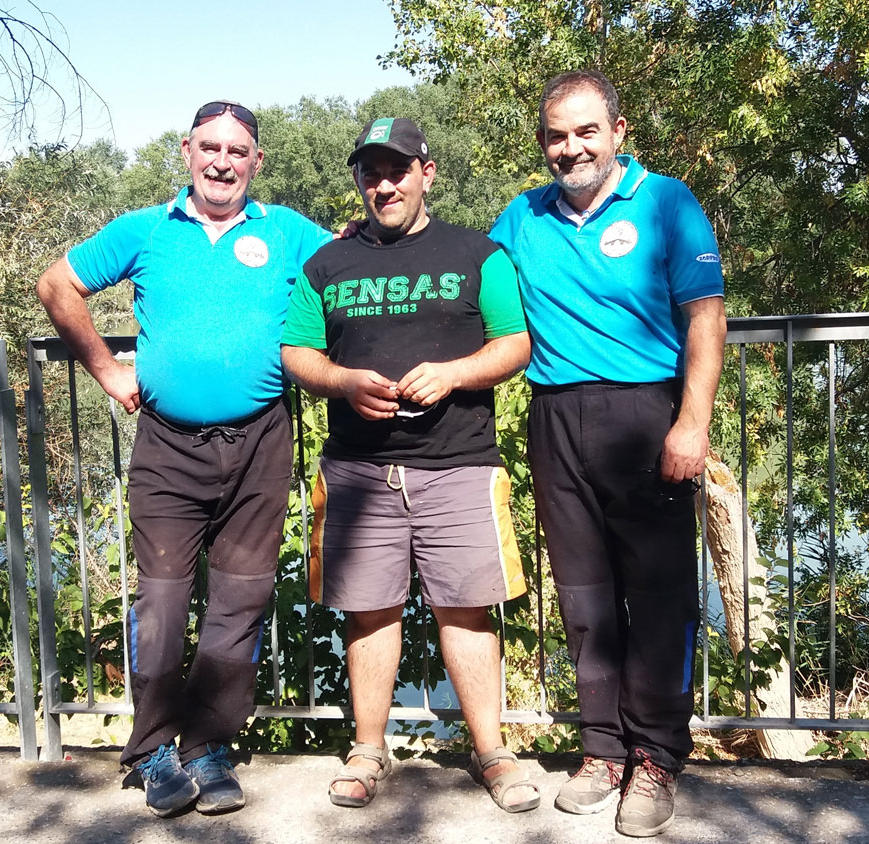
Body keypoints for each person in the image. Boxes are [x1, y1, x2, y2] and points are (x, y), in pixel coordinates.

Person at [36, 100, 332, 818]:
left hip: (262, 439)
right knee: (163, 603)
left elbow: (354, 269)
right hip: (168, 447)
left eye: (238, 151)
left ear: (257, 161)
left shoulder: (287, 230)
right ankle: (153, 751)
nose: (223, 161)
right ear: (187, 151)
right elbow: (57, 285)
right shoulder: (145, 231)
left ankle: (207, 745)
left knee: (241, 599)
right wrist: (107, 369)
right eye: (211, 147)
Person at [488, 70, 728, 838]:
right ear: (542, 143)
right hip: (556, 414)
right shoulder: (520, 217)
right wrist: (358, 245)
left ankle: (656, 755)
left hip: (647, 412)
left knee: (658, 596)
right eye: (557, 134)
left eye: (587, 130)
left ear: (618, 132)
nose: (572, 146)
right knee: (584, 596)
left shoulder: (666, 202)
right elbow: (466, 289)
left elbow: (706, 319)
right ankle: (602, 750)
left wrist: (691, 424)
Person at [281, 117, 540, 814]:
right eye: (370, 172)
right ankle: (368, 749)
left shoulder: (479, 254)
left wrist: (455, 374)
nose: (384, 184)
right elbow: (298, 354)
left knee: (467, 612)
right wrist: (342, 382)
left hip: (458, 465)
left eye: (397, 170)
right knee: (369, 613)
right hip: (359, 472)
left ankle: (493, 752)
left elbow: (513, 345)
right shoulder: (325, 266)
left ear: (427, 172)